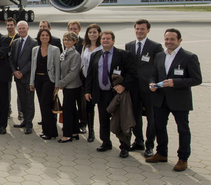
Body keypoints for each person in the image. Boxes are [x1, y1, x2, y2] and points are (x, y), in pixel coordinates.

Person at [147, 28, 202, 172]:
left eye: (172, 39)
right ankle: (161, 153)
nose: (168, 42)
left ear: (180, 41)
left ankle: (183, 159)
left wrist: (175, 83)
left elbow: (197, 79)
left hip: (179, 100)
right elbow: (153, 75)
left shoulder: (189, 57)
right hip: (160, 99)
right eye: (166, 39)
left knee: (183, 130)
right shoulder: (159, 56)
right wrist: (151, 83)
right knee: (159, 126)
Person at [85, 31, 137, 158]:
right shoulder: (96, 55)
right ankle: (106, 142)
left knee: (121, 120)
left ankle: (124, 146)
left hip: (117, 94)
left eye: (108, 39)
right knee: (103, 119)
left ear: (113, 41)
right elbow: (91, 75)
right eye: (103, 39)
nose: (105, 41)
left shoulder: (124, 55)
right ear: (100, 40)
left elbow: (132, 73)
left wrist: (123, 85)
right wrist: (88, 90)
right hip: (101, 94)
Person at [125, 19, 164, 158]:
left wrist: (157, 85)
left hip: (149, 89)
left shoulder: (155, 47)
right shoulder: (129, 45)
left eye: (142, 29)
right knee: (135, 116)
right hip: (134, 88)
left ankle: (150, 145)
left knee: (151, 118)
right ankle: (138, 141)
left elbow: (160, 67)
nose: (139, 31)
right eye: (137, 29)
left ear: (148, 30)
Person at [30, 28, 60, 140]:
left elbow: (57, 67)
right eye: (42, 35)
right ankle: (46, 130)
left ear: (50, 37)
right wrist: (31, 82)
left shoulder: (55, 49)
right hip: (38, 79)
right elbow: (33, 67)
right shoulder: (35, 49)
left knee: (46, 104)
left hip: (49, 80)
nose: (45, 37)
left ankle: (51, 132)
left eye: (47, 35)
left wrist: (57, 83)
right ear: (39, 37)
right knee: (42, 105)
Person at [11, 21, 38, 134]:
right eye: (19, 28)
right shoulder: (15, 42)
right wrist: (14, 71)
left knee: (29, 101)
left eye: (23, 28)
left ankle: (29, 124)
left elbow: (33, 60)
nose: (21, 30)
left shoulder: (34, 42)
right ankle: (24, 121)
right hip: (18, 77)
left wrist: (22, 72)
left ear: (27, 28)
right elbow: (11, 58)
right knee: (22, 100)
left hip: (27, 77)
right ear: (17, 29)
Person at [57, 32, 83, 143]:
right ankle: (75, 131)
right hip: (67, 86)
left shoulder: (75, 55)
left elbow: (73, 73)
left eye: (69, 40)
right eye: (65, 39)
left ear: (74, 41)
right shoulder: (65, 52)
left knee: (67, 110)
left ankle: (67, 135)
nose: (66, 42)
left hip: (72, 86)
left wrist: (61, 83)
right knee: (72, 109)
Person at [81, 24, 103, 142]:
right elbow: (82, 63)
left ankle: (103, 132)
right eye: (90, 32)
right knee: (88, 107)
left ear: (99, 34)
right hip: (86, 80)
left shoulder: (102, 47)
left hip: (98, 81)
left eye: (94, 32)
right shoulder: (85, 47)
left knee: (101, 107)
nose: (92, 34)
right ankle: (91, 131)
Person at [67, 21, 86, 134]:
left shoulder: (84, 42)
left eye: (75, 29)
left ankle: (83, 123)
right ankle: (74, 123)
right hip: (69, 79)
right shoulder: (67, 41)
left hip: (80, 78)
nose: (73, 30)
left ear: (79, 29)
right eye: (71, 28)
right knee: (71, 103)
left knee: (81, 103)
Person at [6, 17, 21, 121]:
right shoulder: (4, 38)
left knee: (20, 90)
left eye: (11, 25)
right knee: (7, 89)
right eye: (8, 25)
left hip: (18, 67)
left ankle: (21, 110)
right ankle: (8, 109)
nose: (9, 27)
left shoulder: (19, 37)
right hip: (7, 67)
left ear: (15, 26)